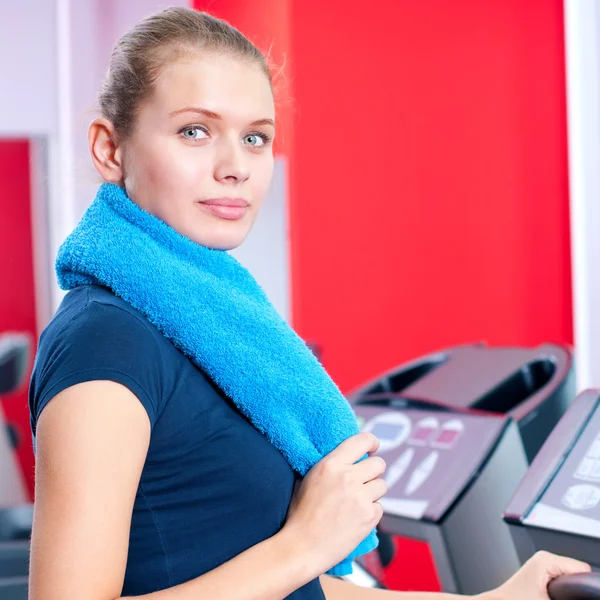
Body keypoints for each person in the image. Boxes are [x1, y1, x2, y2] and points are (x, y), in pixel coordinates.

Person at [27, 7, 589, 600]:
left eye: (255, 137)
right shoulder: (107, 343)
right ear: (109, 148)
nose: (234, 167)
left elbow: (296, 587)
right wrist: (303, 542)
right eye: (195, 130)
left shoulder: (212, 333)